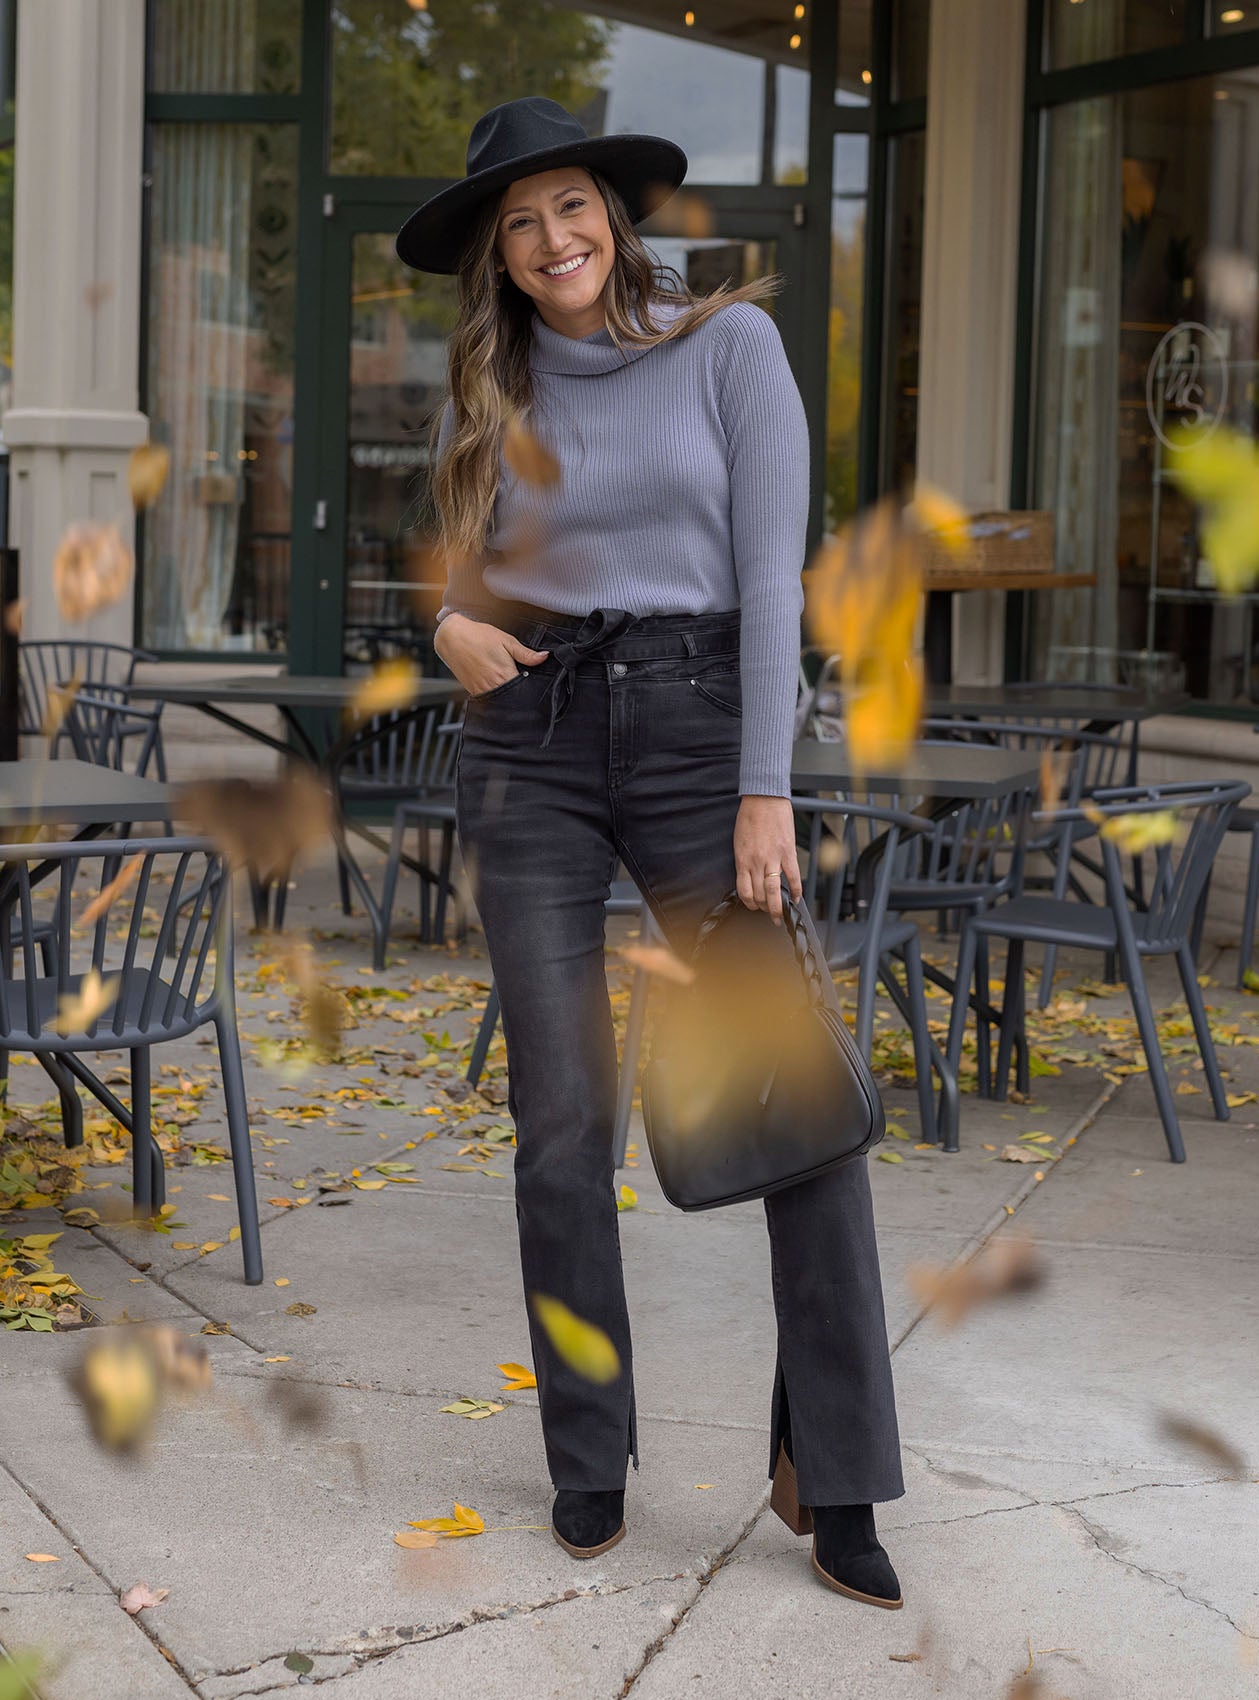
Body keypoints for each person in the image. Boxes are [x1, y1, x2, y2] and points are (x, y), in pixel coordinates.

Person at [397, 95, 904, 1609]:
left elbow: (770, 575)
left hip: (701, 735)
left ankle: (844, 1472)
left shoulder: (724, 347)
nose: (552, 241)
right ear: (499, 253)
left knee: (796, 1101)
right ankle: (588, 1459)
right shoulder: (488, 383)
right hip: (531, 746)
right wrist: (447, 630)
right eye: (519, 223)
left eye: (571, 208)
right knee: (561, 1128)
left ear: (615, 214)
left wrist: (768, 788)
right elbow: (444, 580)